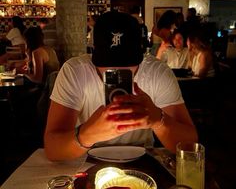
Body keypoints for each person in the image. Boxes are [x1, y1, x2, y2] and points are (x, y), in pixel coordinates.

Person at [44, 11, 198, 161]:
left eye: (126, 62)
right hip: (84, 160)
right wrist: (86, 135)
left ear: (142, 55)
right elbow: (52, 148)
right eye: (108, 63)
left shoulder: (157, 72)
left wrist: (159, 121)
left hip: (142, 161)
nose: (117, 71)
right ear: (94, 54)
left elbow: (190, 145)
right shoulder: (75, 71)